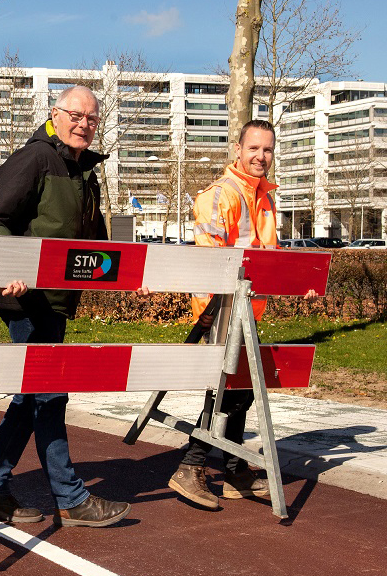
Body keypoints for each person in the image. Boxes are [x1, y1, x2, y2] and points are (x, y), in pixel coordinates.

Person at [0, 85, 131, 528]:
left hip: (56, 299)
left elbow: (92, 241)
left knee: (29, 396)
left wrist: (130, 273)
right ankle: (72, 498)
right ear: (54, 115)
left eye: (92, 119)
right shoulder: (34, 158)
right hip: (23, 297)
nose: (84, 124)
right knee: (50, 391)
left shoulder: (83, 170)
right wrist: (10, 270)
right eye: (76, 116)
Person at [167, 119, 317, 509]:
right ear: (237, 149)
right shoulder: (222, 195)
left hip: (248, 312)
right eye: (254, 148)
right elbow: (214, 260)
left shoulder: (265, 197)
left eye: (267, 150)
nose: (261, 156)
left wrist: (300, 282)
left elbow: (271, 257)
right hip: (222, 311)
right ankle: (191, 466)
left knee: (241, 390)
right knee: (225, 393)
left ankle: (234, 470)